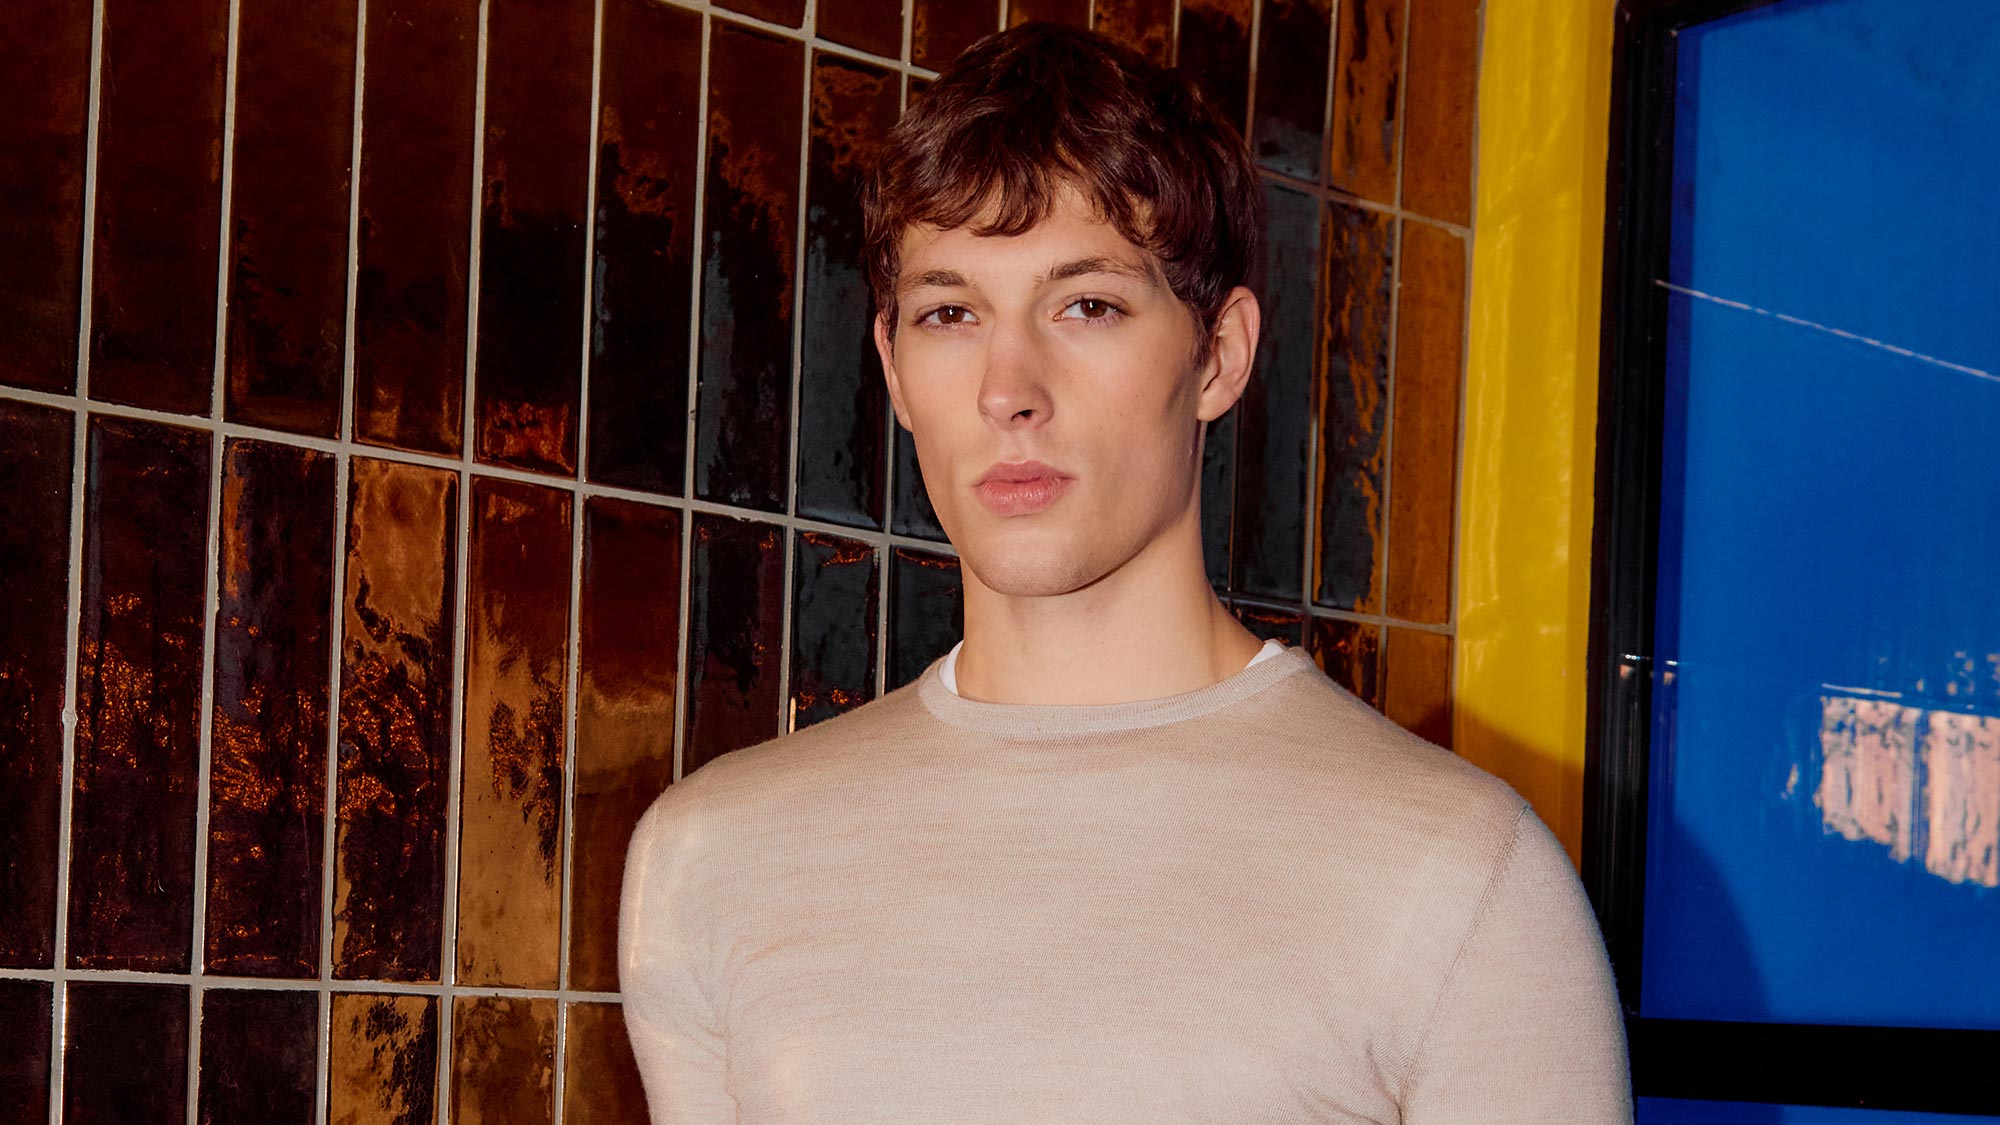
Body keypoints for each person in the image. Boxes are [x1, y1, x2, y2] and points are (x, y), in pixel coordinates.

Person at [619, 20, 1631, 1122]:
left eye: (1085, 304)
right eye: (949, 312)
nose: (1008, 386)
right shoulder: (712, 857)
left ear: (1217, 356)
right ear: (895, 372)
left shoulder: (1457, 876)